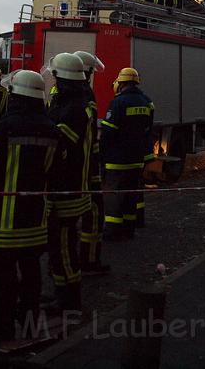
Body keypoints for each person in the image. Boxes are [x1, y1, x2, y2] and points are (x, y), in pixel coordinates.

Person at [0, 70, 60, 344]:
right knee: (32, 274)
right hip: (35, 220)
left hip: (3, 221)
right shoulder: (52, 131)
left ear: (16, 95)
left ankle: (2, 328)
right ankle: (30, 323)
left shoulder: (3, 128)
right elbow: (58, 171)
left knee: (3, 277)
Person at [46, 53, 92, 312]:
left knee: (63, 245)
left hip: (68, 186)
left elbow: (61, 141)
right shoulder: (72, 102)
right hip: (68, 183)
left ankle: (68, 297)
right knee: (60, 243)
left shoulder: (74, 108)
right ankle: (61, 291)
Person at [100, 67, 154, 241]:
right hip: (136, 158)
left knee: (113, 195)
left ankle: (113, 231)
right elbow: (148, 130)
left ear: (121, 83)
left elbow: (108, 133)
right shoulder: (146, 102)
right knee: (131, 194)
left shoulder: (118, 103)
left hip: (117, 159)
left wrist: (101, 154)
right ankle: (129, 229)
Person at [73, 50, 111, 276]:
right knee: (93, 216)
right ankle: (89, 261)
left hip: (77, 167)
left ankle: (69, 263)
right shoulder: (85, 95)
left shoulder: (61, 92)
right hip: (87, 167)